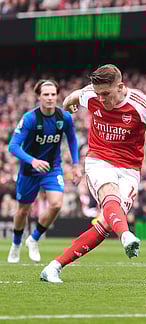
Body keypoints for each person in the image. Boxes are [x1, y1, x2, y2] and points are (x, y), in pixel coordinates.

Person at [40, 64, 146, 283]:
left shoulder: (141, 105)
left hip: (130, 170)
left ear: (120, 86)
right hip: (98, 160)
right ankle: (126, 235)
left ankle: (54, 266)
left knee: (107, 223)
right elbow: (72, 98)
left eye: (106, 94)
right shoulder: (91, 94)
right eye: (98, 94)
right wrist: (68, 107)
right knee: (109, 195)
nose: (101, 99)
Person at [7, 80, 81, 264]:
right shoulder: (30, 119)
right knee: (23, 210)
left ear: (57, 96)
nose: (50, 98)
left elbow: (72, 140)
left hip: (52, 168)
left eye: (53, 94)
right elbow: (13, 146)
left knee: (56, 204)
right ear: (38, 96)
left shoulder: (64, 118)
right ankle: (16, 244)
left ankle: (34, 238)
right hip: (29, 170)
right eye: (46, 95)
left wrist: (76, 164)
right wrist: (33, 160)